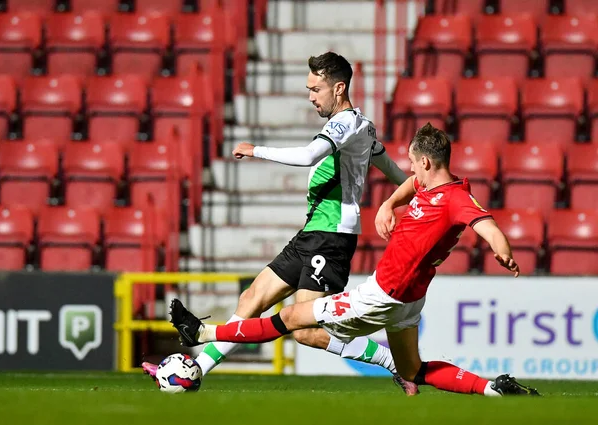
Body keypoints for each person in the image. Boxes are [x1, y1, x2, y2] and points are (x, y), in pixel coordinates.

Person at [169, 123, 540, 396]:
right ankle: (492, 388)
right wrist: (388, 203)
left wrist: (501, 248)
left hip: (382, 294)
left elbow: (486, 224)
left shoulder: (456, 200)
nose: (409, 170)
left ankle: (202, 333)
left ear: (425, 161)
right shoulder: (443, 184)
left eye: (412, 163)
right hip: (410, 302)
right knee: (413, 368)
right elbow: (412, 185)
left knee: (291, 318)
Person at [143, 52, 416, 393]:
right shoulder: (360, 126)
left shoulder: (345, 124)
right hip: (312, 233)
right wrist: (413, 193)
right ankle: (194, 371)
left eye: (316, 89)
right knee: (251, 299)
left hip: (331, 237)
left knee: (304, 331)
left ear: (339, 87)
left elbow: (308, 156)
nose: (311, 97)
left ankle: (397, 365)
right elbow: (387, 164)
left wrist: (256, 150)